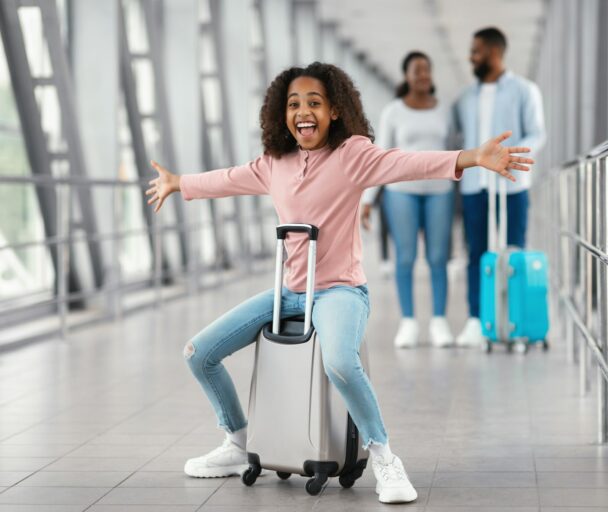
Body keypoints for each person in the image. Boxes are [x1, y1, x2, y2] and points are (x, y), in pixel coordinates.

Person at [145, 62, 532, 504]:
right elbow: (228, 178)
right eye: (294, 104)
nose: (303, 111)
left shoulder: (352, 155)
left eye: (314, 102)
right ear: (280, 114)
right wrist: (180, 183)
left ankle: (384, 455)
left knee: (341, 363)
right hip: (289, 292)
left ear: (334, 111)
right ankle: (237, 442)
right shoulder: (275, 163)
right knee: (199, 353)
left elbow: (406, 163)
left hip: (339, 290)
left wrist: (471, 158)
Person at [452, 27, 546, 347]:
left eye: (476, 51)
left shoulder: (524, 90)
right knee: (476, 253)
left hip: (512, 185)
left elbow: (537, 134)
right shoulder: (464, 98)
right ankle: (477, 320)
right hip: (474, 186)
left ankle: (514, 318)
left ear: (494, 52)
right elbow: (457, 139)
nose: (471, 57)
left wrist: (511, 156)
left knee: (513, 250)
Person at [360, 51, 454, 349]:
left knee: (438, 257)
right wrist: (368, 198)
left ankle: (439, 322)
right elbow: (381, 156)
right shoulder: (393, 112)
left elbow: (455, 151)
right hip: (402, 193)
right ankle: (409, 323)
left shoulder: (445, 111)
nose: (423, 75)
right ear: (406, 76)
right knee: (405, 257)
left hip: (440, 192)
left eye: (427, 70)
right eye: (417, 70)